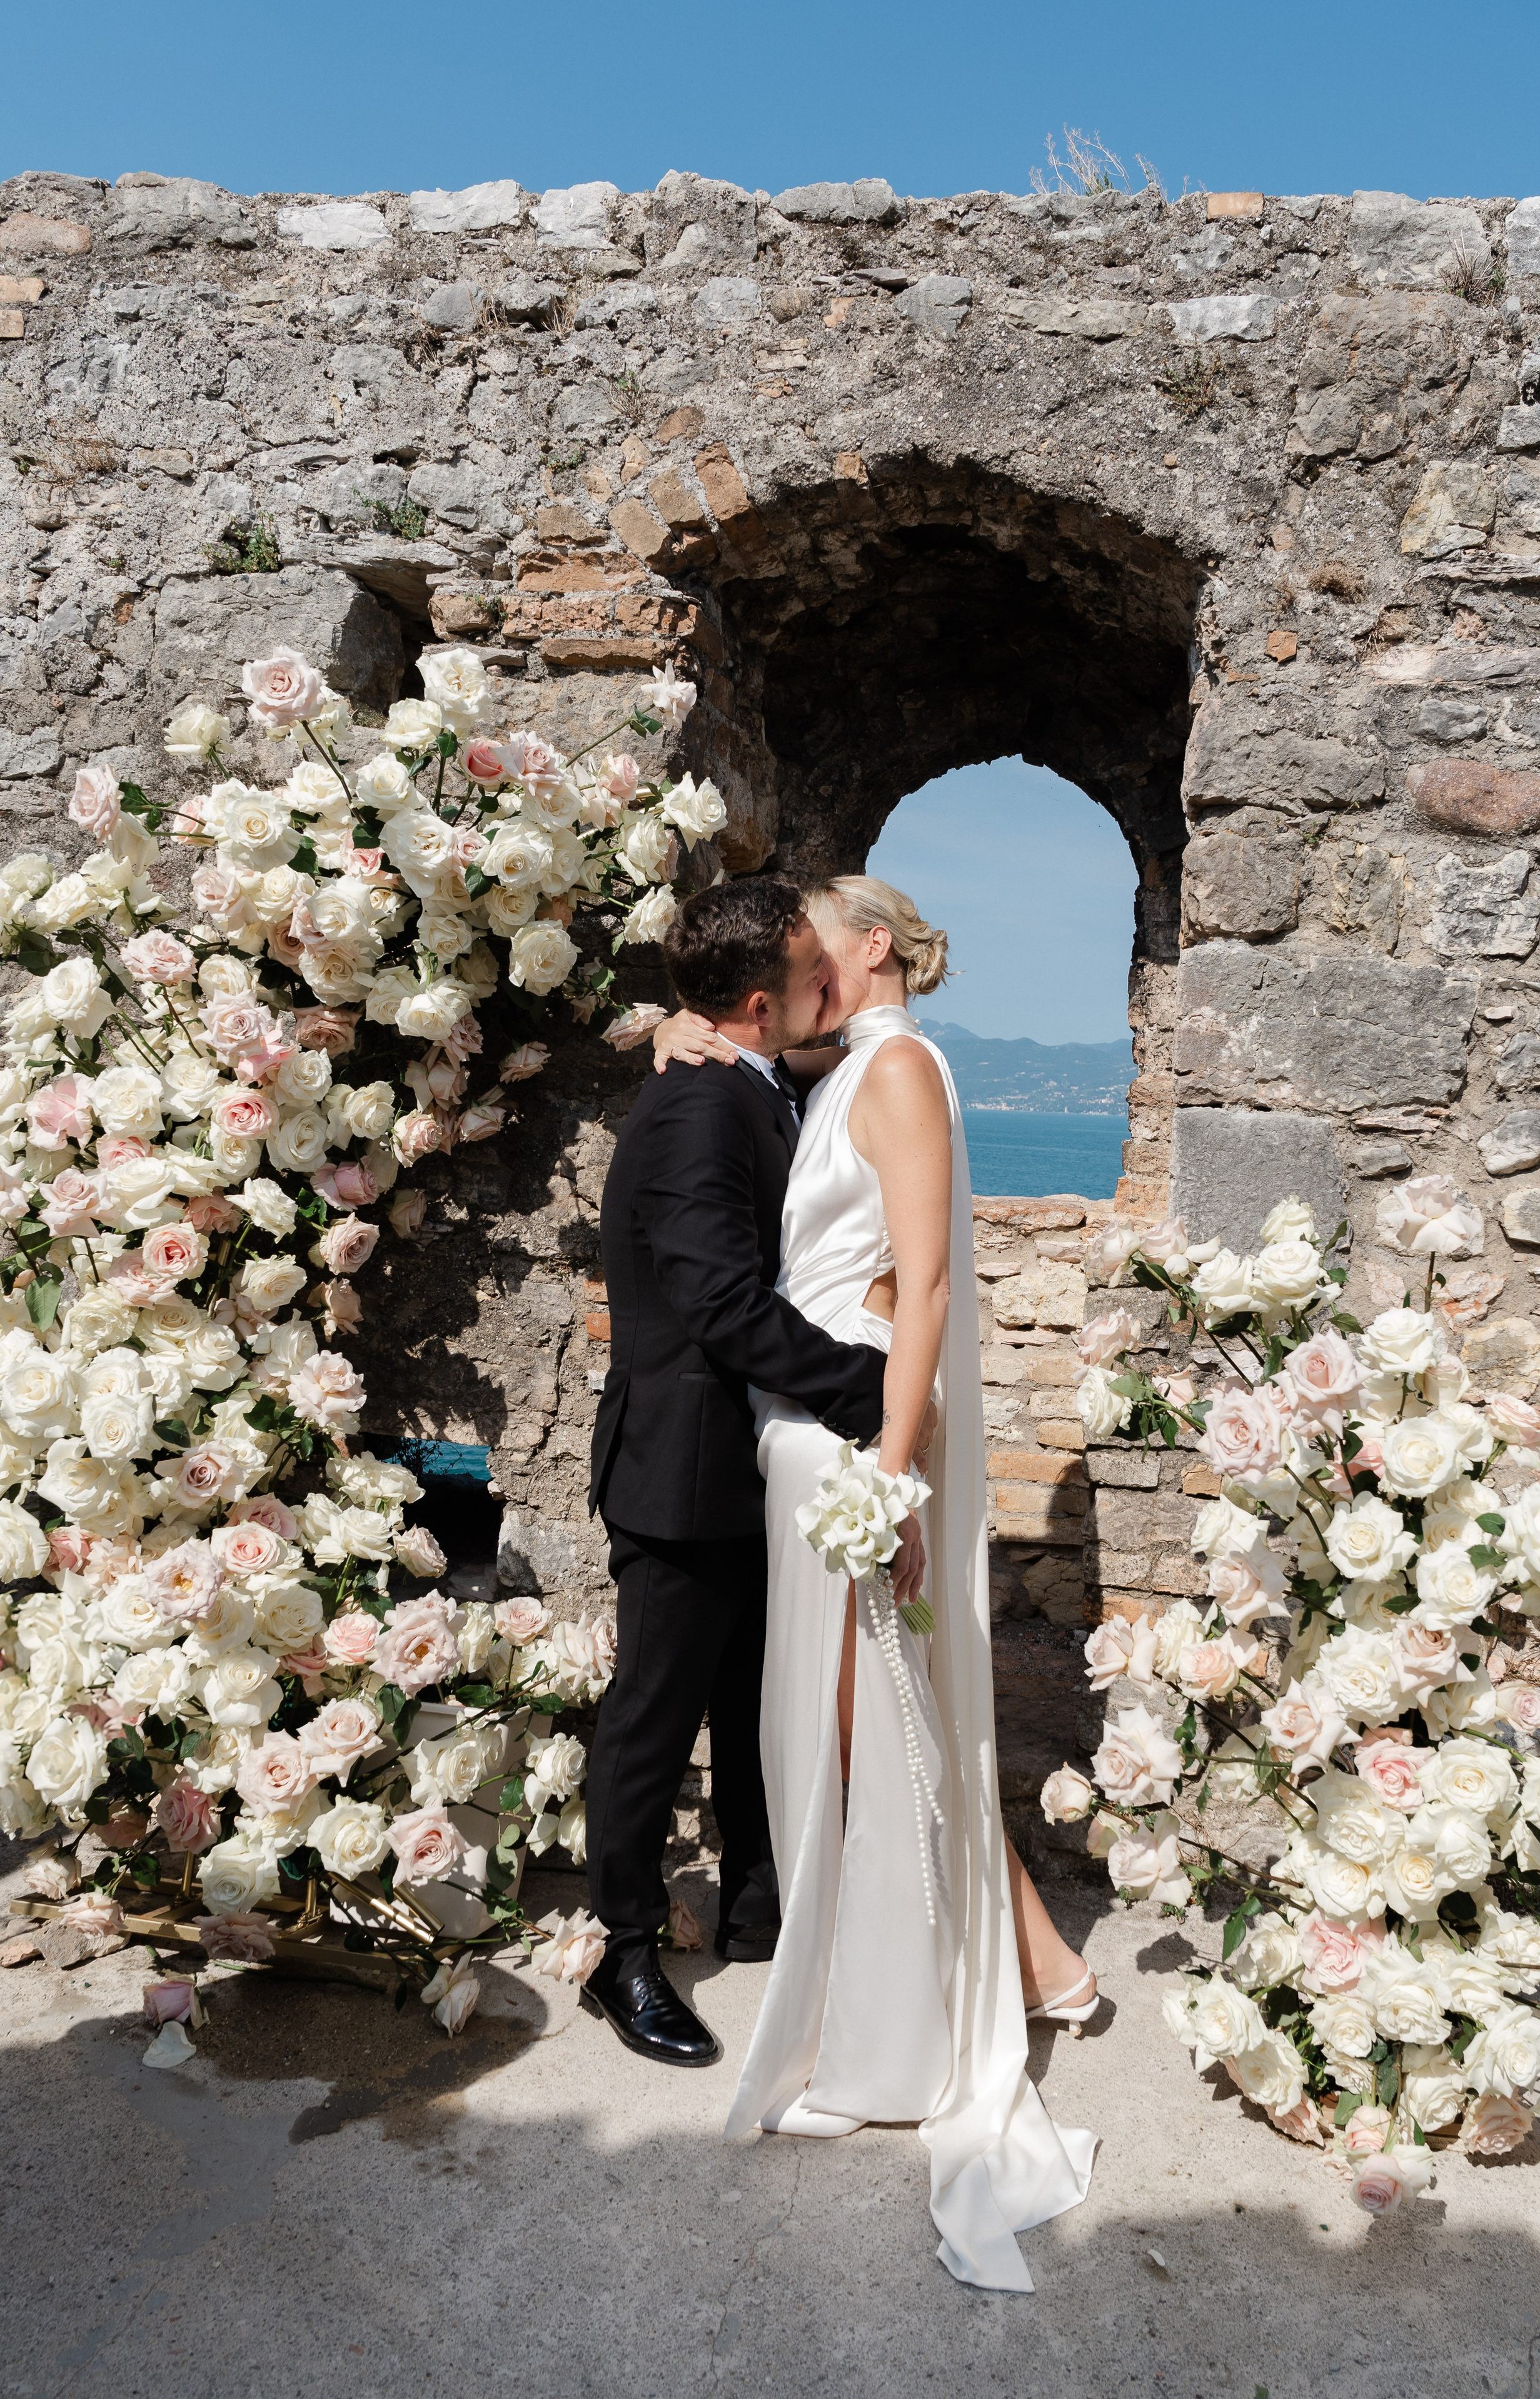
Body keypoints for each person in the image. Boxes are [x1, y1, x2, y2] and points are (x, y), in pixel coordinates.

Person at [651, 874, 1098, 2291]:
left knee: (868, 1728)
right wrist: (663, 1021)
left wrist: (892, 1472)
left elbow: (925, 1289)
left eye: (811, 942)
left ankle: (904, 2037)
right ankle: (1037, 1965)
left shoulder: (900, 1068)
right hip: (814, 1445)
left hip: (853, 1451)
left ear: (871, 948)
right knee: (863, 1729)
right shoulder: (838, 1066)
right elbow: (739, 1034)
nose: (797, 967)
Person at [584, 877, 918, 2071]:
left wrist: (667, 1018)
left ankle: (757, 1912)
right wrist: (872, 1393)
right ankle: (620, 1955)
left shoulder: (759, 1086)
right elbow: (720, 1307)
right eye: (812, 973)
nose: (832, 987)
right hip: (682, 1471)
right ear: (764, 996)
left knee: (751, 1708)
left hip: (752, 1468)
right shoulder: (698, 1110)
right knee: (654, 1718)